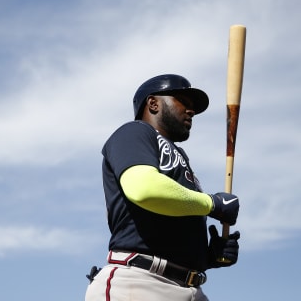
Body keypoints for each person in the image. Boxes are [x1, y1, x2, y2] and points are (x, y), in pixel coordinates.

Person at [85, 74, 241, 301]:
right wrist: (212, 204)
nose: (191, 111)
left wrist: (208, 257)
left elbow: (164, 226)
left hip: (190, 288)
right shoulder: (134, 132)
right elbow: (144, 189)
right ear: (153, 103)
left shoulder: (180, 156)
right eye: (183, 102)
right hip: (141, 282)